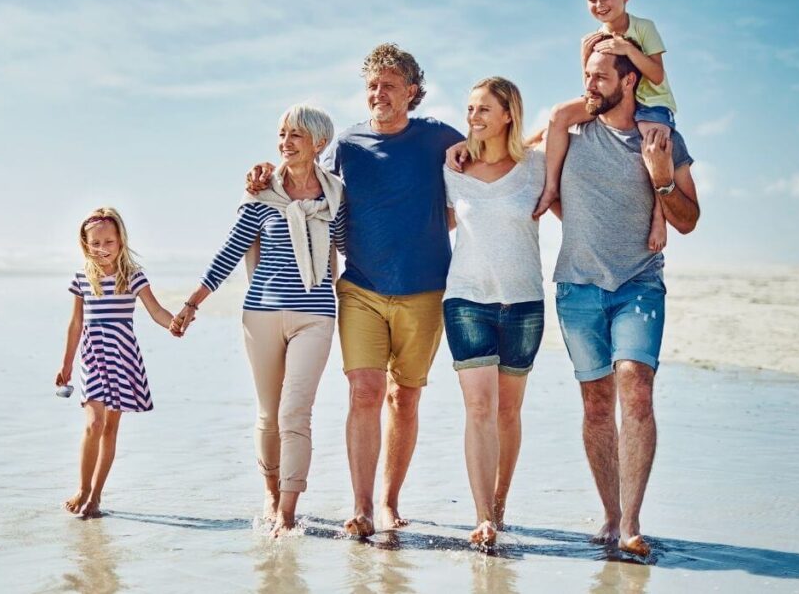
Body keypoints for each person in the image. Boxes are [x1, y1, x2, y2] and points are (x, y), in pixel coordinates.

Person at [247, 44, 463, 536]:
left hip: (426, 288)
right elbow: (298, 172)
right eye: (371, 86)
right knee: (365, 391)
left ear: (411, 91)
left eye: (388, 85)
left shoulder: (439, 138)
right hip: (360, 286)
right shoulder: (346, 144)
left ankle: (389, 503)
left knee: (404, 398)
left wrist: (433, 224)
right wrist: (260, 172)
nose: (377, 93)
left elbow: (480, 170)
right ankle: (362, 507)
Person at [172, 104, 345, 538]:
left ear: (318, 143)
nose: (285, 143)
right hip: (262, 315)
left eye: (296, 136)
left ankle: (288, 510)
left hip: (315, 316)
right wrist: (193, 302)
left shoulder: (336, 196)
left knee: (295, 412)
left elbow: (348, 248)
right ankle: (270, 492)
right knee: (269, 415)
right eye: (282, 134)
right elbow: (229, 253)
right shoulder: (263, 193)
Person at [553, 47, 699, 557]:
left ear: (630, 80)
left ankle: (632, 522)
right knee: (596, 403)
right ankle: (611, 515)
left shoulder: (663, 139)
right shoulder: (570, 135)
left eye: (599, 78)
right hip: (576, 287)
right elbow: (509, 155)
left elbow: (688, 218)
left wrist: (660, 177)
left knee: (635, 388)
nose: (589, 85)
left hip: (639, 284)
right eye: (586, 76)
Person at [442, 77, 545, 546]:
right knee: (479, 406)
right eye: (469, 109)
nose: (473, 117)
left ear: (508, 114)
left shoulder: (538, 168)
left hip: (524, 301)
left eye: (484, 109)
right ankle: (482, 517)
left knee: (508, 411)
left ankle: (500, 506)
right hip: (466, 300)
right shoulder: (453, 171)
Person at [532, 0, 681, 254]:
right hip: (613, 100)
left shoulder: (643, 28)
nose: (599, 4)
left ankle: (658, 217)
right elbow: (590, 86)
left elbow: (657, 74)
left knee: (651, 148)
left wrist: (626, 48)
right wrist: (585, 56)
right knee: (558, 115)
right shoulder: (592, 38)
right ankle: (550, 188)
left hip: (651, 103)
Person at [57, 207, 176, 518]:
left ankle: (95, 497)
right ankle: (82, 488)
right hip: (93, 355)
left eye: (108, 242)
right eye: (95, 243)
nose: (102, 249)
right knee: (93, 424)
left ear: (121, 241)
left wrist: (175, 323)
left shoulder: (133, 277)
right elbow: (75, 324)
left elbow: (156, 310)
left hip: (122, 355)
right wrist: (66, 365)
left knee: (109, 429)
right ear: (85, 245)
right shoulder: (82, 278)